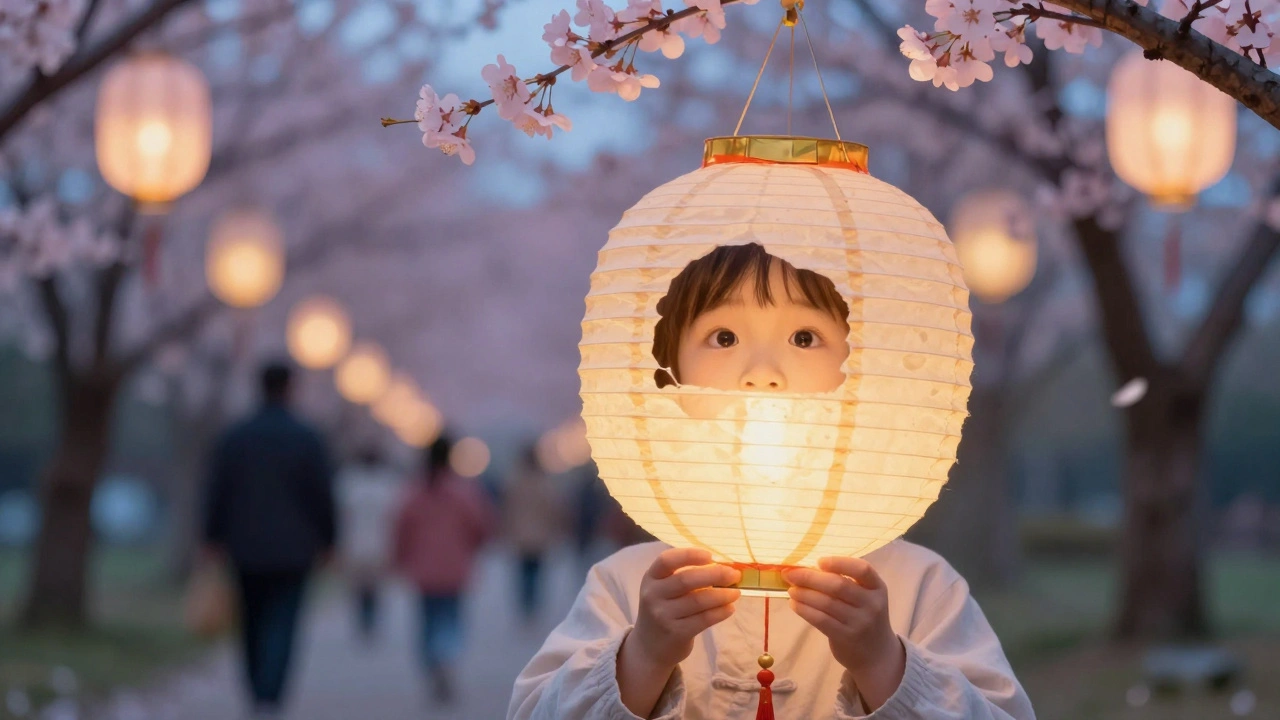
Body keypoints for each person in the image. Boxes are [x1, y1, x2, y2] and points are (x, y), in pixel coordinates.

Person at [508, 244, 1035, 719]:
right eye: (724, 337)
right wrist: (643, 654)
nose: (763, 372)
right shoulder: (631, 584)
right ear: (670, 374)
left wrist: (884, 662)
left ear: (864, 370)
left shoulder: (916, 586)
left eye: (805, 337)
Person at [203, 361, 335, 719]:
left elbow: (218, 490)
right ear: (290, 388)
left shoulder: (236, 436)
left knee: (251, 622)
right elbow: (322, 495)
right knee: (284, 623)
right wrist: (328, 541)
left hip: (244, 546)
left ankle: (256, 690)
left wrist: (211, 537)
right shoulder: (307, 438)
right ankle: (270, 695)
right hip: (295, 549)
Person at [394, 433, 496, 705]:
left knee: (427, 621)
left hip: (423, 570)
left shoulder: (415, 491)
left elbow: (401, 529)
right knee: (451, 619)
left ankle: (433, 663)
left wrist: (400, 558)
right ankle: (446, 657)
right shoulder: (463, 492)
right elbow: (481, 527)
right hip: (454, 569)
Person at [335, 444, 400, 643]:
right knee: (362, 588)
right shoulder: (352, 480)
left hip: (368, 544)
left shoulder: (354, 482)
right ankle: (366, 621)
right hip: (363, 543)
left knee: (372, 588)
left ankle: (369, 622)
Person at [503, 444, 568, 623]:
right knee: (536, 574)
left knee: (523, 573)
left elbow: (508, 511)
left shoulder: (516, 483)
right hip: (540, 538)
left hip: (521, 537)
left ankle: (525, 604)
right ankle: (532, 606)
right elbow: (554, 510)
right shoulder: (544, 484)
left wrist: (507, 531)